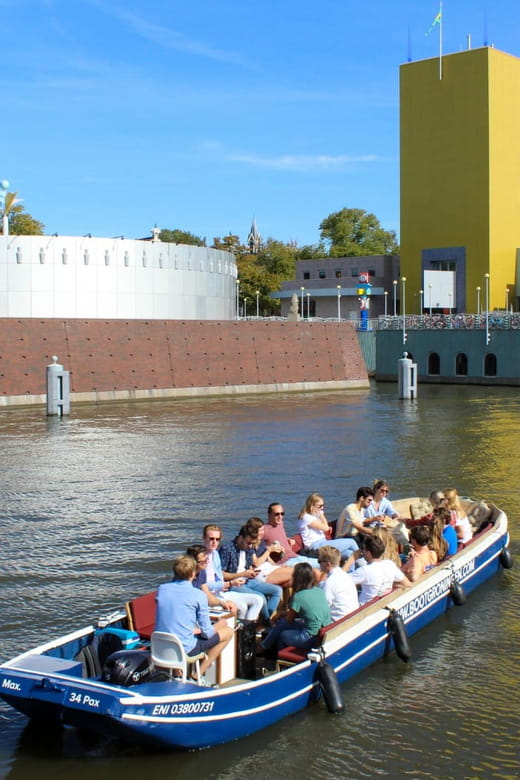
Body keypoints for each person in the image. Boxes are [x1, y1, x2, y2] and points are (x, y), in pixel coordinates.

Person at [155, 555, 233, 683]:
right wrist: (220, 624)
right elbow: (207, 633)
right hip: (185, 648)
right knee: (228, 631)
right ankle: (197, 675)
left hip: (161, 645)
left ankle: (177, 672)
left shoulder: (162, 589)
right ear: (193, 574)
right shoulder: (198, 595)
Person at [260, 562, 331, 652]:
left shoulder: (299, 596)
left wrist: (279, 617)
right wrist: (285, 614)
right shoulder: (319, 591)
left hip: (311, 638)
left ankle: (280, 657)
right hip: (324, 632)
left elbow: (288, 620)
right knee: (284, 624)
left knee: (282, 633)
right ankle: (265, 646)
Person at [219, 525, 281, 622]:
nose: (250, 546)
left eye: (252, 544)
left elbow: (250, 565)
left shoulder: (249, 548)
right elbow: (222, 575)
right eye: (248, 543)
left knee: (277, 590)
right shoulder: (227, 549)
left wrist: (251, 571)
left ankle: (265, 620)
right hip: (235, 583)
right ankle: (266, 622)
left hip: (248, 580)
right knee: (261, 597)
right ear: (240, 537)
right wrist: (242, 574)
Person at [202, 524, 264, 620]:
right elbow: (202, 585)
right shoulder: (201, 558)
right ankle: (241, 631)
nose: (214, 542)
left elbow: (220, 577)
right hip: (209, 596)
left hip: (220, 593)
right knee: (242, 607)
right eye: (211, 539)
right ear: (203, 538)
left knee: (258, 600)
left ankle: (246, 630)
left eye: (217, 539)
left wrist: (228, 583)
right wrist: (227, 584)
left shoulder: (215, 555)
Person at [343, 535, 411, 605]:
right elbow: (407, 584)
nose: (362, 552)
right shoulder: (389, 564)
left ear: (368, 553)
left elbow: (338, 581)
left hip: (365, 608)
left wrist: (351, 559)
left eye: (363, 549)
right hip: (384, 603)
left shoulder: (365, 571)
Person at [297, 493, 359, 557]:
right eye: (320, 506)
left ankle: (365, 563)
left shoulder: (314, 516)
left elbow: (325, 526)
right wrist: (321, 514)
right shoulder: (306, 517)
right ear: (311, 506)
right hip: (315, 546)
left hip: (323, 543)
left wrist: (322, 518)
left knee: (350, 554)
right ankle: (366, 559)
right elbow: (326, 528)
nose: (322, 508)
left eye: (323, 505)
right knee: (351, 542)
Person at [262, 502, 320, 568]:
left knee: (321, 562)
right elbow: (257, 547)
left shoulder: (280, 524)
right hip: (285, 562)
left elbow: (276, 535)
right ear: (269, 515)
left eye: (282, 513)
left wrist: (287, 539)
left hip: (294, 556)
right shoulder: (264, 530)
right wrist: (270, 549)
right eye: (277, 514)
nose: (280, 517)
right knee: (320, 565)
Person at [186, 544, 238, 615]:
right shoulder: (186, 577)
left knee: (231, 607)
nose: (207, 563)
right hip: (189, 609)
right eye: (203, 562)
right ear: (193, 563)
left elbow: (206, 594)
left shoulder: (202, 572)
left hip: (199, 605)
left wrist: (222, 603)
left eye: (207, 559)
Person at [245, 517, 293, 587]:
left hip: (269, 567)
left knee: (294, 579)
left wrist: (277, 566)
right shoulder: (250, 545)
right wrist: (269, 550)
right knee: (296, 573)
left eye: (263, 530)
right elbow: (256, 563)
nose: (262, 533)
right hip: (261, 571)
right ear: (253, 531)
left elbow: (268, 559)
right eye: (260, 531)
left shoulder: (261, 542)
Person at [317, 545, 359, 620]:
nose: (319, 564)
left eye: (319, 561)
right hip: (351, 618)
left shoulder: (330, 583)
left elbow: (321, 610)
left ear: (328, 564)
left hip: (337, 624)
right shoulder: (345, 576)